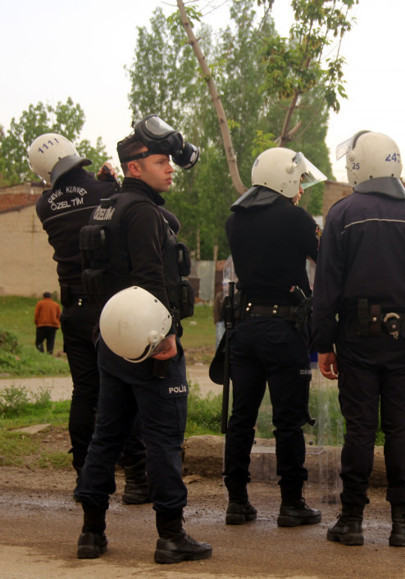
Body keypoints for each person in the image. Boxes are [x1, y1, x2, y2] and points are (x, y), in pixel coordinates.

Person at [74, 114, 211, 564]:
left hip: (111, 343)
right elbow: (152, 278)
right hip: (151, 345)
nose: (170, 168)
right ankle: (171, 536)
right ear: (135, 168)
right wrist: (167, 336)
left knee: (106, 438)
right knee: (163, 439)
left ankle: (91, 534)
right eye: (160, 161)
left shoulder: (105, 208)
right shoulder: (143, 213)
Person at [312, 130, 405, 547]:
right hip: (404, 341)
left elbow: (326, 288)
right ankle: (402, 522)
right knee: (399, 430)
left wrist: (324, 343)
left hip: (356, 341)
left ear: (358, 166)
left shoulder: (341, 215)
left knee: (359, 430)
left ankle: (352, 521)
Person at [29, 134, 148, 503]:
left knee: (85, 393)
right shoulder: (103, 191)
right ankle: (137, 478)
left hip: (73, 312)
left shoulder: (44, 205)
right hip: (111, 308)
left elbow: (70, 201)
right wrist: (111, 182)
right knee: (127, 390)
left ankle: (85, 476)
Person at [222, 147, 325, 528]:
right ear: (282, 178)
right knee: (288, 421)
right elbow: (327, 254)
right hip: (284, 331)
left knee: (241, 419)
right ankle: (291, 504)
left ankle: (236, 502)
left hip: (245, 330)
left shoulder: (235, 220)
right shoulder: (295, 219)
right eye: (298, 180)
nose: (300, 188)